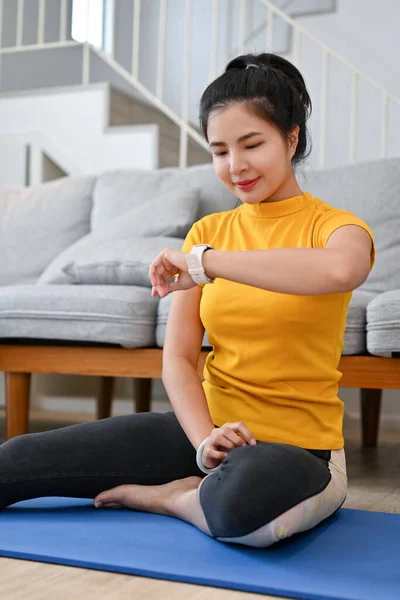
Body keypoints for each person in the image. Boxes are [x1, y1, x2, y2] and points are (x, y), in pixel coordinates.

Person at [0, 53, 375, 548]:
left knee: (241, 508)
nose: (234, 166)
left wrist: (206, 262)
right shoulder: (209, 232)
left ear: (292, 138)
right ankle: (200, 480)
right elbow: (177, 357)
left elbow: (339, 270)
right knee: (15, 462)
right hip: (202, 433)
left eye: (251, 144)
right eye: (219, 150)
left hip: (297, 449)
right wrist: (203, 443)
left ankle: (172, 499)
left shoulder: (336, 228)